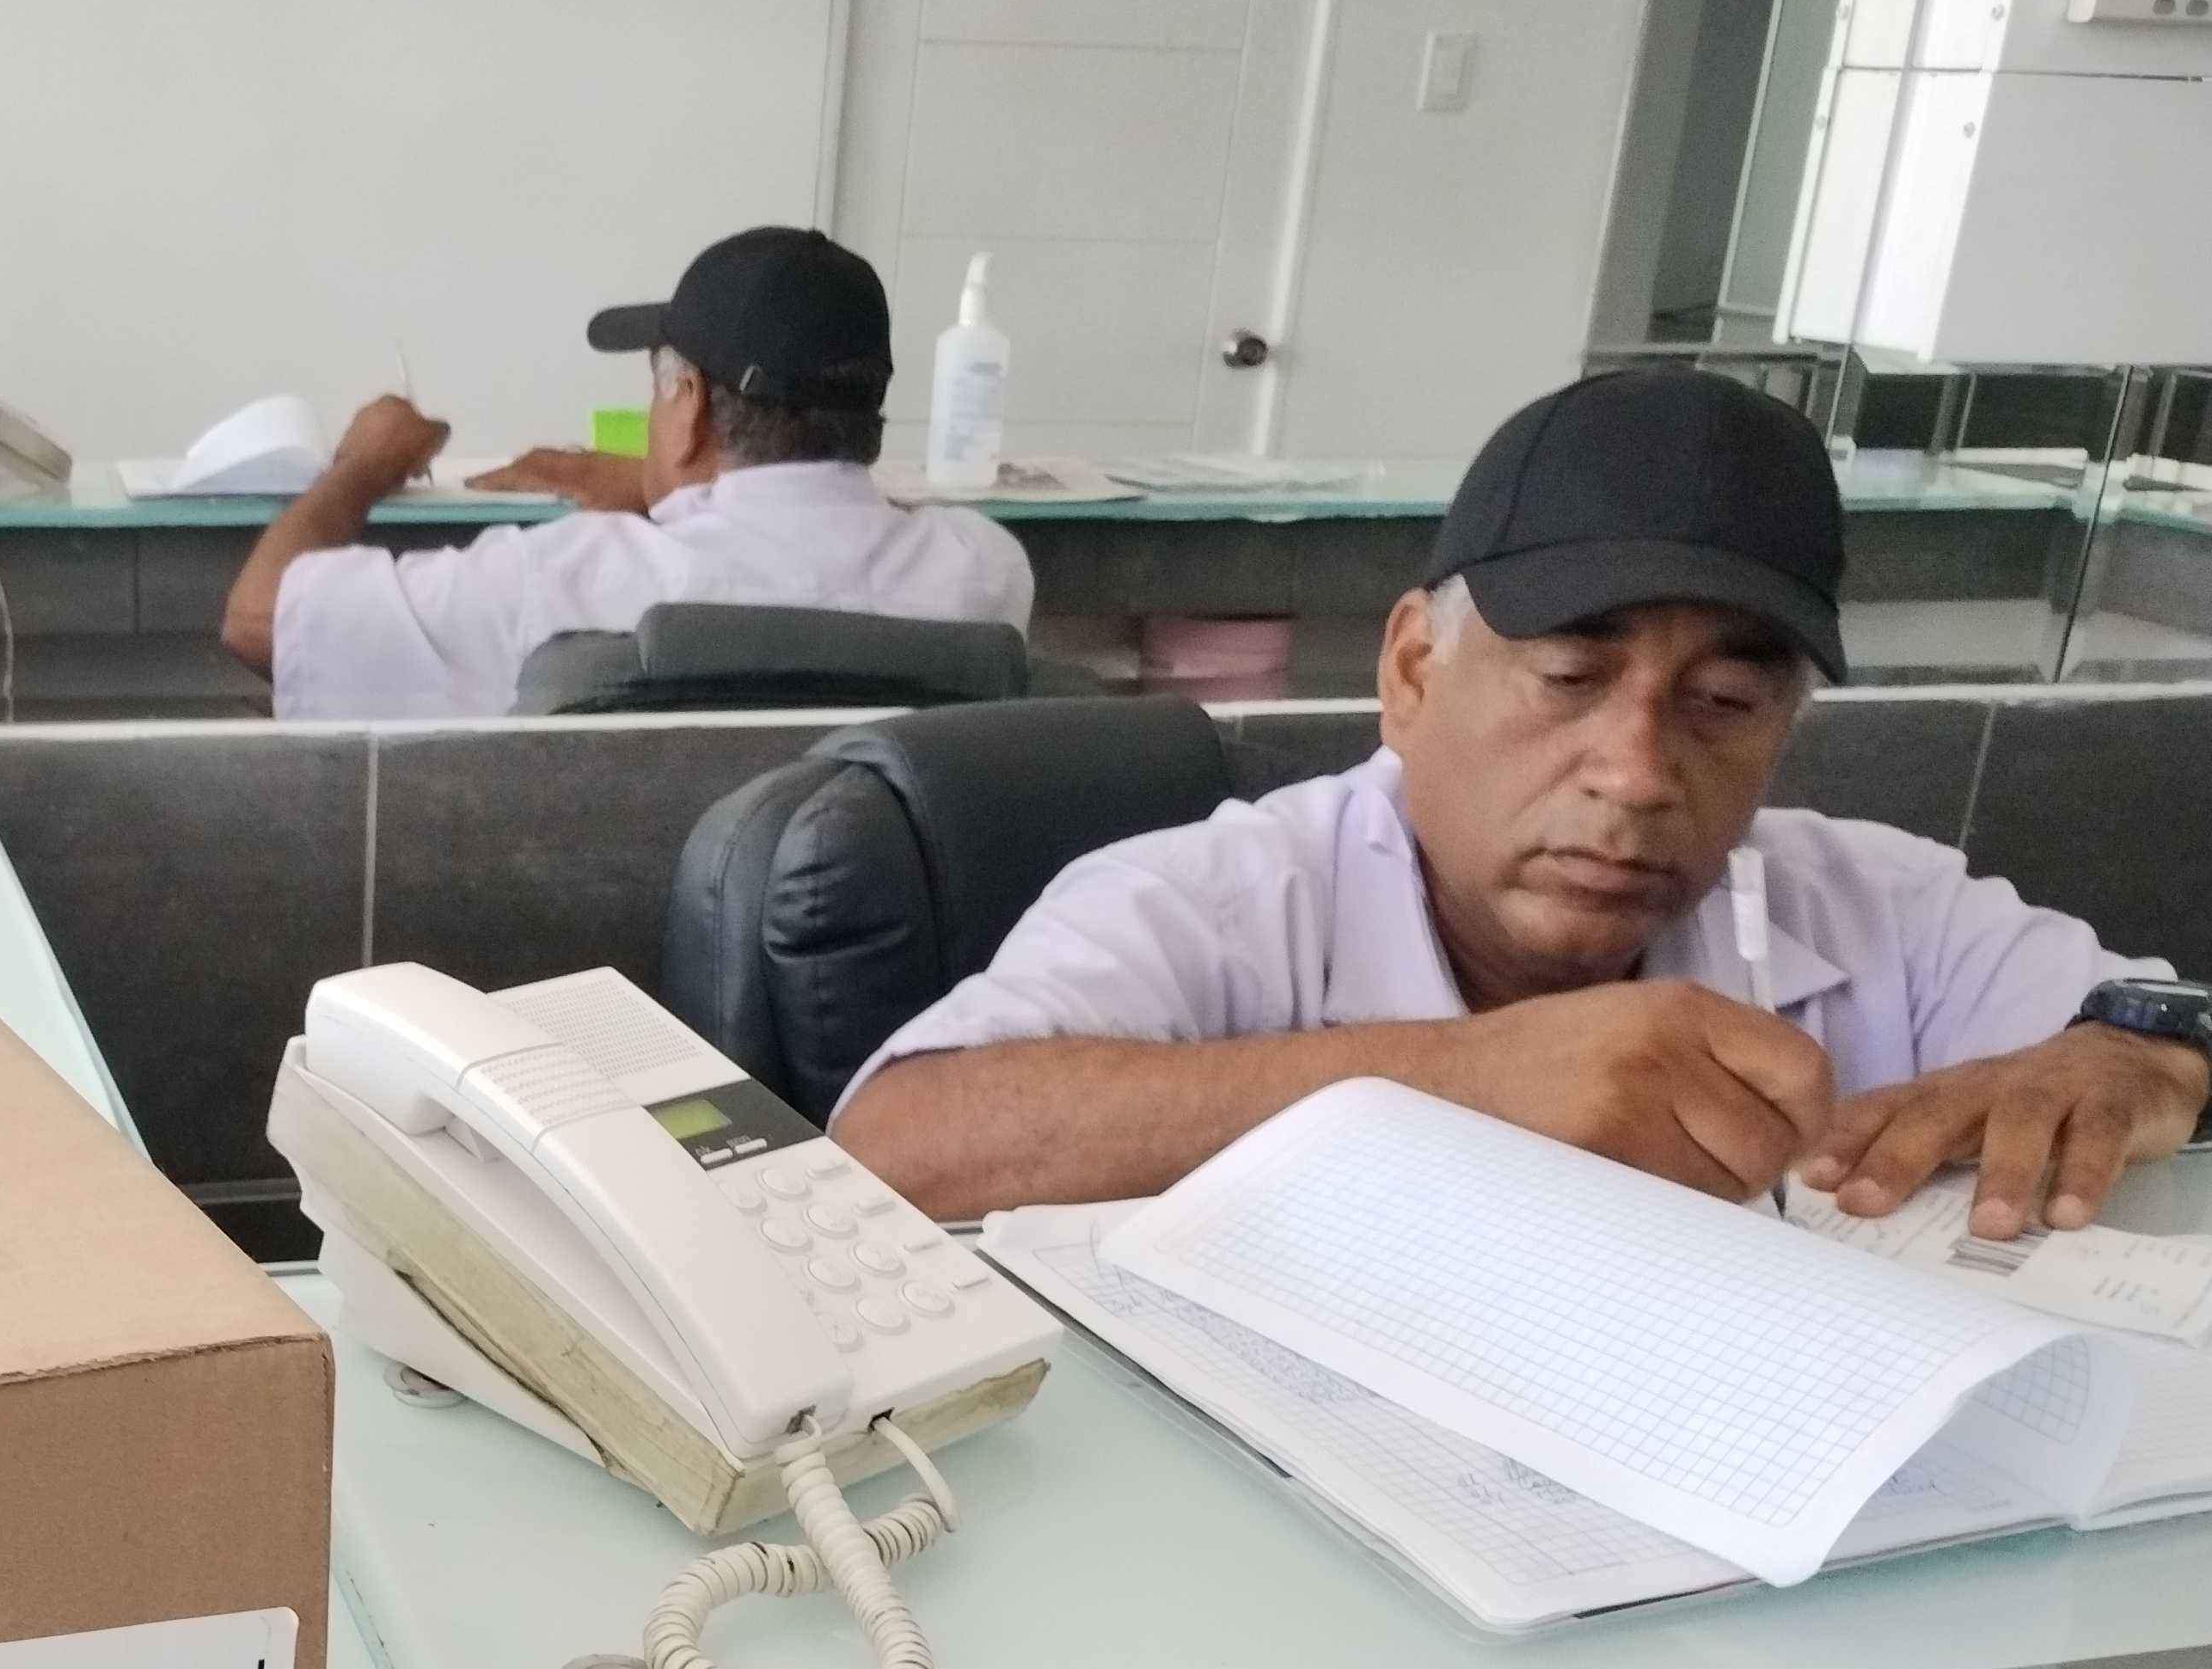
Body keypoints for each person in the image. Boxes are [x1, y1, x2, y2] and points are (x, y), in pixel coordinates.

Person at [828, 366, 2209, 1241]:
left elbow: (2165, 1019)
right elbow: (896, 1150)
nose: (1639, 773)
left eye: (1726, 703)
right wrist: (1457, 1081)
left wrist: (2126, 1064)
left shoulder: (1874, 906)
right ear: (1414, 672)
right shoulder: (1218, 902)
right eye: (1570, 680)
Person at [221, 228, 1033, 721]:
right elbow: (819, 536)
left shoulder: (563, 576)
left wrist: (366, 464)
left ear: (689, 408)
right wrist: (668, 497)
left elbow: (260, 622)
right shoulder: (985, 573)